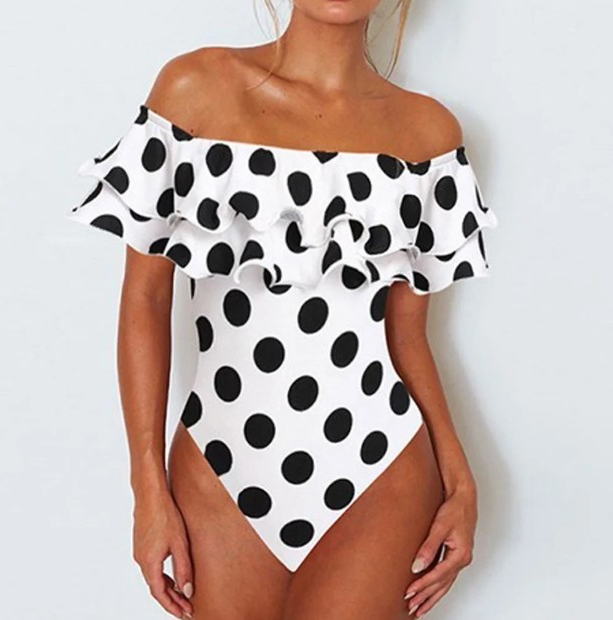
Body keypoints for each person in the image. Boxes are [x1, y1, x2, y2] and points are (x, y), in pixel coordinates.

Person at [65, 1, 498, 618]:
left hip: (380, 470)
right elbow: (145, 299)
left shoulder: (428, 134)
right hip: (220, 466)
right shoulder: (194, 91)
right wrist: (147, 491)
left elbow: (407, 337)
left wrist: (460, 480)